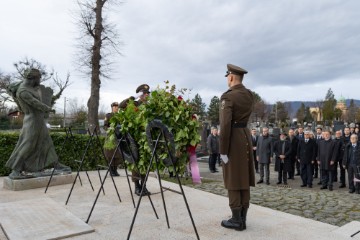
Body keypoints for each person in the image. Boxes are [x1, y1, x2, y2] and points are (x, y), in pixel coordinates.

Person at [6, 68, 71, 178]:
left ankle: (55, 164)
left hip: (38, 120)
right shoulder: (23, 91)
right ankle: (16, 169)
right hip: (32, 122)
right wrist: (48, 108)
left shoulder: (28, 86)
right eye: (39, 78)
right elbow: (35, 103)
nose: (40, 80)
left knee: (47, 143)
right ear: (33, 78)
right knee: (28, 145)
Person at [219, 64, 255, 231]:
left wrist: (223, 151)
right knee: (244, 179)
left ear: (231, 77)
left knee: (233, 179)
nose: (227, 79)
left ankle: (236, 219)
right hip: (245, 137)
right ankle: (243, 219)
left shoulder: (228, 97)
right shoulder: (249, 95)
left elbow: (225, 126)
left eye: (228, 76)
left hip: (233, 140)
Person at [119, 84, 151, 196]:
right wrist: (132, 97)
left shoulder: (150, 106)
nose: (147, 95)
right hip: (135, 139)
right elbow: (121, 106)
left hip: (146, 139)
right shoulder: (134, 104)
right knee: (136, 163)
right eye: (144, 93)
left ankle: (144, 186)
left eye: (148, 93)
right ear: (140, 94)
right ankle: (137, 186)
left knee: (146, 163)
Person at [103, 102, 122, 176]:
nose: (116, 108)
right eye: (115, 107)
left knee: (118, 154)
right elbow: (105, 126)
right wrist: (110, 129)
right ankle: (111, 170)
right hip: (110, 137)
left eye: (117, 107)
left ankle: (115, 170)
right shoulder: (108, 115)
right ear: (112, 107)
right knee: (110, 153)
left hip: (118, 137)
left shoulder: (120, 116)